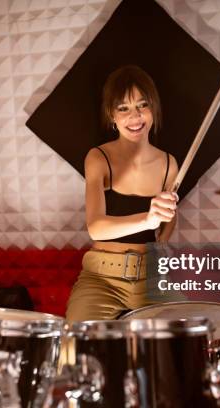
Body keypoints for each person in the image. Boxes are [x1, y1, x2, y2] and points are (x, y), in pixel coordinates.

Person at [65, 65, 179, 322]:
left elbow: (168, 220)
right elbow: (96, 228)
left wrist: (163, 233)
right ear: (111, 115)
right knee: (76, 349)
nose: (135, 116)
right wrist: (147, 219)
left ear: (154, 109)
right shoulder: (98, 157)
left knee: (183, 344)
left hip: (152, 277)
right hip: (102, 279)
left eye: (142, 105)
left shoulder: (169, 164)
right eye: (123, 108)